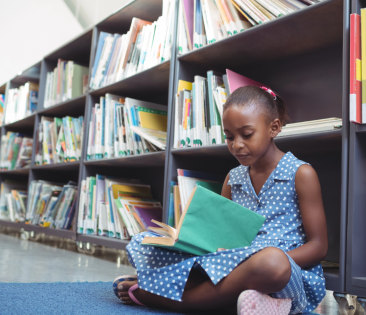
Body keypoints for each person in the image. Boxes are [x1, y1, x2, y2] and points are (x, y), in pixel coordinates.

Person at [113, 85, 328, 314]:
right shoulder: (233, 178)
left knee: (271, 262)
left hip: (282, 273)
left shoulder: (301, 173)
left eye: (247, 135)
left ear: (274, 128)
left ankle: (167, 298)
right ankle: (246, 303)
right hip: (230, 265)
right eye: (229, 137)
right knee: (144, 241)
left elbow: (318, 247)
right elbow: (221, 238)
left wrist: (254, 259)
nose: (236, 145)